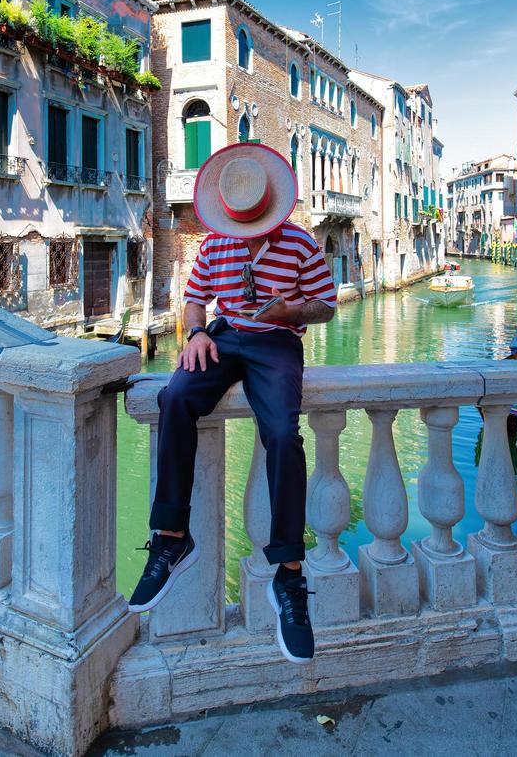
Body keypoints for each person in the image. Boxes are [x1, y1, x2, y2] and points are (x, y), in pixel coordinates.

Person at [129, 143, 337, 665]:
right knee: (175, 396)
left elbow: (327, 307)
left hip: (276, 344)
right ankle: (172, 535)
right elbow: (195, 299)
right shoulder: (213, 245)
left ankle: (289, 575)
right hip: (224, 338)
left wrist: (293, 308)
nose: (242, 235)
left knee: (284, 436)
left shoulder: (300, 243)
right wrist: (196, 333)